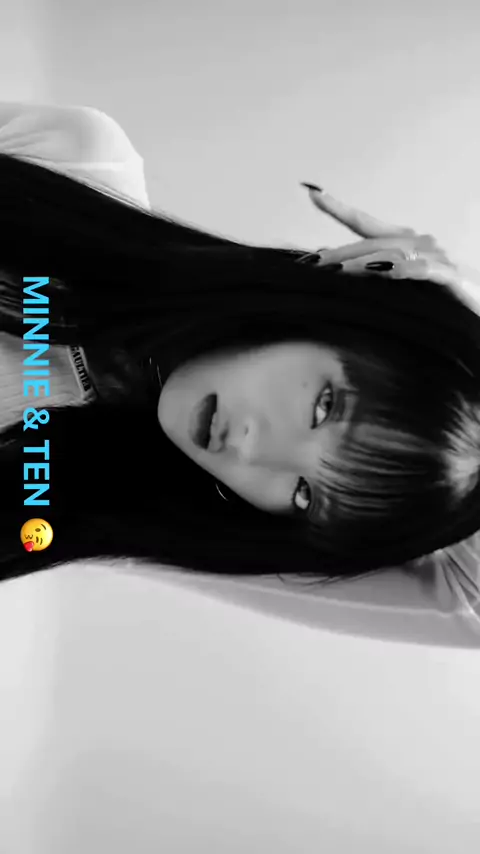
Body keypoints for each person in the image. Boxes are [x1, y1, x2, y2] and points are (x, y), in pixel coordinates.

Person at [0, 102, 479, 595]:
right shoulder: (75, 158)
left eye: (304, 495)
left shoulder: (62, 500)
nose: (248, 448)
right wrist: (450, 306)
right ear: (334, 312)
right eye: (324, 406)